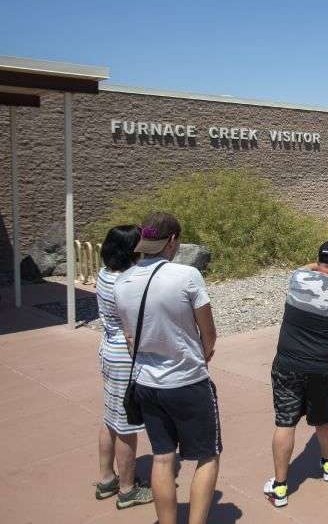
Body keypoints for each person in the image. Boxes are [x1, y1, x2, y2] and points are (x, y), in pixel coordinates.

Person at [114, 212, 220, 524]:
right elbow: (209, 334)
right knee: (207, 455)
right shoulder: (186, 276)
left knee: (163, 457)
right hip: (187, 381)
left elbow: (130, 339)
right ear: (172, 241)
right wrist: (200, 354)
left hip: (147, 383)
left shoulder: (122, 282)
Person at [264, 241, 328, 508]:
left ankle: (281, 487)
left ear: (318, 262)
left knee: (285, 422)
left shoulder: (298, 278)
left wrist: (321, 266)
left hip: (287, 365)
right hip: (322, 368)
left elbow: (308, 267)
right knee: (324, 417)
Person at [94, 225, 154, 509]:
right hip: (124, 358)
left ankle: (107, 479)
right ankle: (127, 490)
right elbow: (134, 329)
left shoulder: (105, 274)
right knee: (127, 425)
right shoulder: (127, 283)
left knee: (110, 419)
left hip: (108, 351)